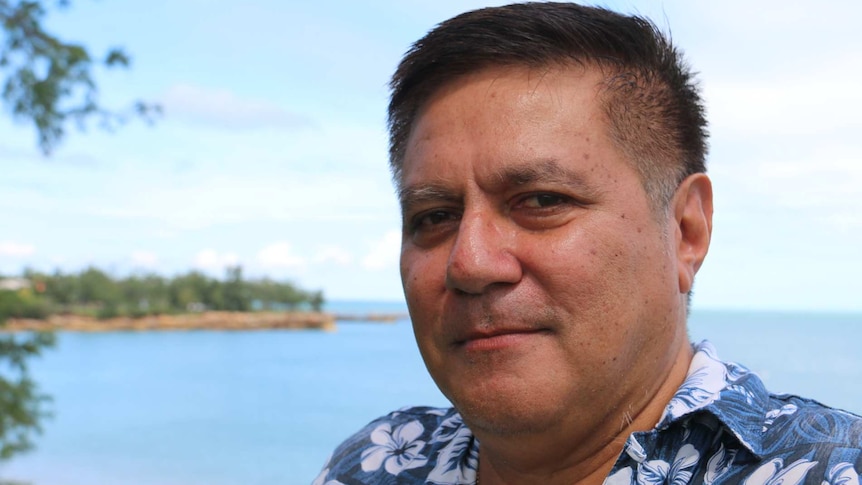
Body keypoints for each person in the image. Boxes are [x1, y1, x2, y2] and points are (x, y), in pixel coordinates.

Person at [314, 3, 862, 484]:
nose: (471, 262)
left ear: (686, 232)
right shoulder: (377, 464)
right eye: (434, 216)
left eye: (542, 201)